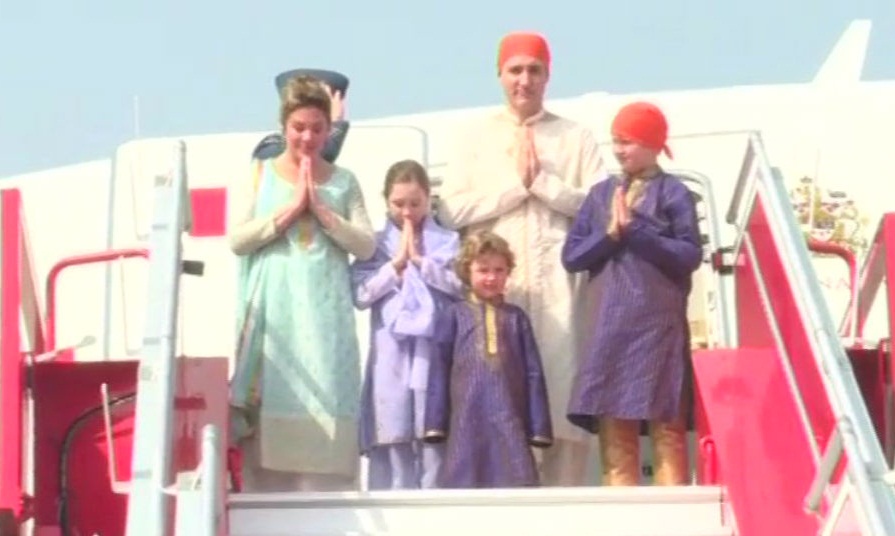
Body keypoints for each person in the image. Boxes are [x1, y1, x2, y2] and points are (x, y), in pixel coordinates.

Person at [436, 31, 606, 486]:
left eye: (534, 70)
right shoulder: (474, 136)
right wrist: (516, 186)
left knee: (562, 395)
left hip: (559, 295)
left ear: (548, 75)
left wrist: (545, 183)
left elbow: (599, 206)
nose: (524, 80)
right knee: (496, 401)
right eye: (515, 70)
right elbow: (451, 209)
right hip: (495, 295)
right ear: (499, 75)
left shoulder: (574, 137)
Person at [227, 74, 377, 492]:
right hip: (274, 324)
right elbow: (237, 239)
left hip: (326, 328)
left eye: (316, 127)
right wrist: (290, 211)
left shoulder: (344, 181)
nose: (307, 137)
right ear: (283, 127)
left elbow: (365, 246)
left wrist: (325, 215)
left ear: (330, 130)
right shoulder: (259, 174)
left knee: (326, 432)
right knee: (269, 459)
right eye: (299, 128)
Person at [561, 101, 701, 486]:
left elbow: (689, 255)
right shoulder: (600, 195)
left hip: (657, 326)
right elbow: (572, 257)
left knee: (666, 428)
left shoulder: (673, 193)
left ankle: (672, 520)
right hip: (609, 326)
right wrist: (609, 235)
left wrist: (636, 233)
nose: (620, 150)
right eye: (616, 142)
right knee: (615, 432)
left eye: (628, 142)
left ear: (653, 144)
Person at [351, 159, 463, 490]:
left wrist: (422, 264)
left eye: (415, 203)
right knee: (394, 430)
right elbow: (359, 294)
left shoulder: (449, 242)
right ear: (385, 201)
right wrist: (395, 266)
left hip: (433, 348)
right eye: (398, 204)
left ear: (429, 199)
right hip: (391, 350)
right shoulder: (373, 244)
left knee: (433, 431)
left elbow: (462, 288)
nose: (407, 212)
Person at [423, 230, 552, 488]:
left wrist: (539, 427)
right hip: (466, 416)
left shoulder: (517, 318)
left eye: (499, 270)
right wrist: (435, 423)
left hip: (509, 415)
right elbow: (439, 369)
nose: (491, 277)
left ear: (508, 272)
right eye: (483, 270)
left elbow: (533, 374)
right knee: (464, 485)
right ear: (467, 271)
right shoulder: (454, 315)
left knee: (516, 483)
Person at [252, 69, 351, 163]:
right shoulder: (271, 146)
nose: (308, 137)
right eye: (299, 128)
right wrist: (336, 123)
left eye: (317, 129)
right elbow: (321, 155)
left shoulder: (344, 177)